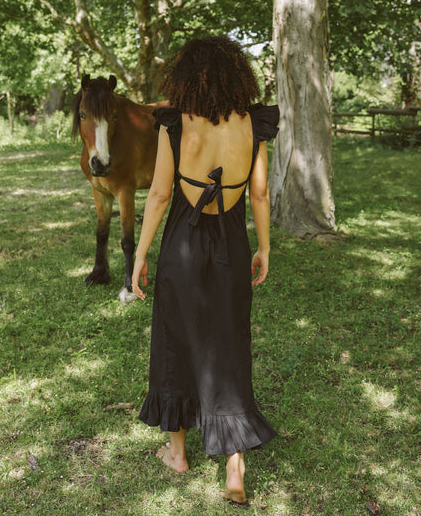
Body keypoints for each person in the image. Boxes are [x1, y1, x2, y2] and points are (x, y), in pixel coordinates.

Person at [131, 35, 279, 505]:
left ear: (186, 76)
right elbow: (259, 194)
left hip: (182, 244)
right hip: (232, 244)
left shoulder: (175, 124)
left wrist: (139, 253)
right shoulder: (254, 124)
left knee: (174, 340)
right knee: (230, 341)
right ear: (237, 75)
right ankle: (235, 467)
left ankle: (178, 454)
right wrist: (265, 247)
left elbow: (157, 195)